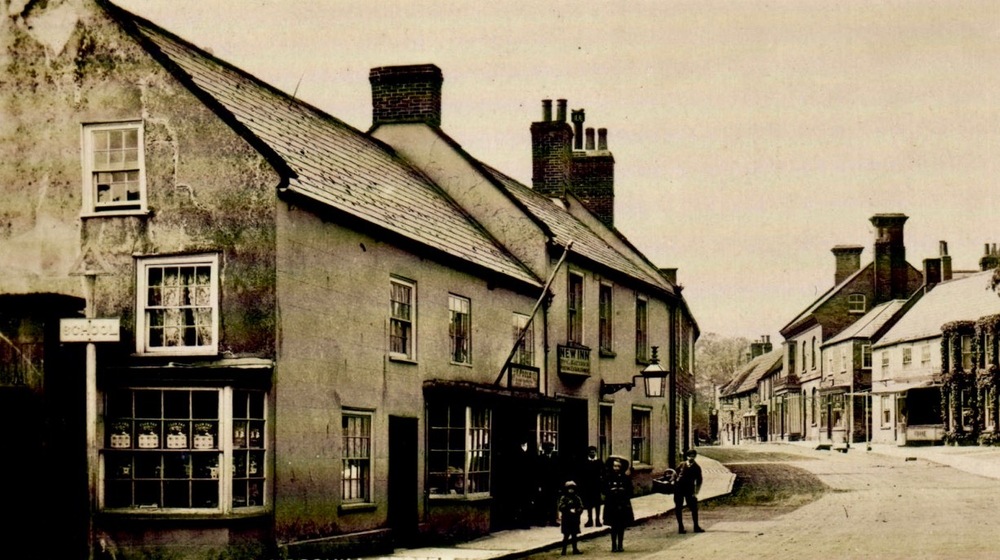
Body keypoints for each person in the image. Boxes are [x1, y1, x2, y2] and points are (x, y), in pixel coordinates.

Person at [602, 456, 634, 552]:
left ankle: (620, 544)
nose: (616, 468)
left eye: (618, 466)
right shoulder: (608, 477)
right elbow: (603, 490)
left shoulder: (626, 478)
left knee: (621, 525)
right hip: (612, 504)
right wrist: (610, 491)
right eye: (614, 466)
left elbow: (630, 491)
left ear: (621, 467)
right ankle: (613, 545)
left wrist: (622, 491)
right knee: (613, 526)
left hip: (622, 504)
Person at [673, 448, 704, 534]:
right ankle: (680, 527)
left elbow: (699, 481)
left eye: (693, 456)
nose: (691, 458)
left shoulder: (697, 468)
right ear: (687, 457)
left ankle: (696, 526)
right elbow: (674, 474)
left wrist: (696, 492)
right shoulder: (681, 465)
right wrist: (673, 481)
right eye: (689, 456)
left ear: (695, 457)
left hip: (689, 490)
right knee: (678, 507)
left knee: (694, 508)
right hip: (679, 489)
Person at [537, 440, 561, 526]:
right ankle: (542, 520)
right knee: (543, 503)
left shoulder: (556, 458)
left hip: (553, 484)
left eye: (551, 448)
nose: (550, 449)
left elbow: (558, 472)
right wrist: (539, 485)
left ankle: (552, 520)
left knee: (553, 503)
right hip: (544, 484)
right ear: (544, 449)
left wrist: (558, 485)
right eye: (548, 448)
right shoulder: (540, 459)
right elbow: (538, 473)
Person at [579, 446, 604, 527]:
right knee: (589, 504)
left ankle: (597, 520)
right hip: (588, 487)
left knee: (597, 504)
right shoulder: (585, 462)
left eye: (593, 452)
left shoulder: (599, 462)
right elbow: (582, 475)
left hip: (597, 486)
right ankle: (590, 520)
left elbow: (604, 473)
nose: (592, 453)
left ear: (595, 452)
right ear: (588, 453)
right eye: (590, 452)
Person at [558, 480, 584, 555]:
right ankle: (564, 550)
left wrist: (577, 511)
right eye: (569, 489)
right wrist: (567, 509)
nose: (571, 490)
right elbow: (560, 506)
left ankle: (575, 549)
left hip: (575, 519)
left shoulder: (577, 498)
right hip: (566, 519)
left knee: (574, 535)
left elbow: (581, 506)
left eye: (572, 489)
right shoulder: (563, 498)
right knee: (566, 535)